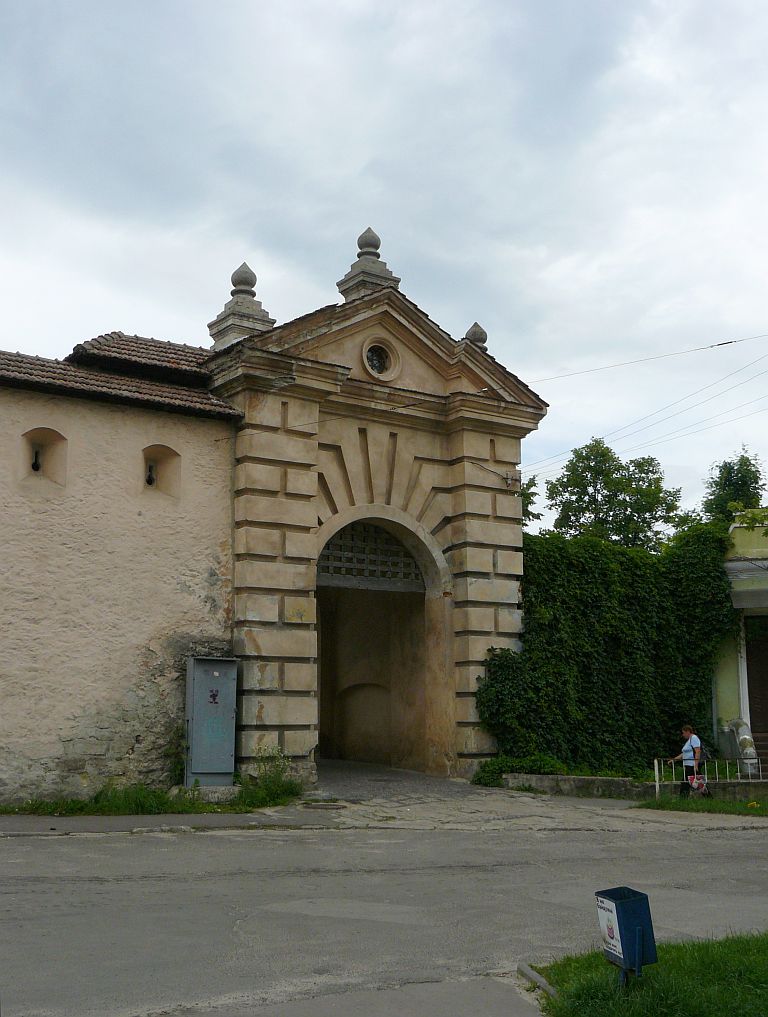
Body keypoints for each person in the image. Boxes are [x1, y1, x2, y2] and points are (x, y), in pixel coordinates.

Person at [668, 725, 701, 798]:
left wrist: (696, 765)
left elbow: (697, 751)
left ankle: (683, 798)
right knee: (699, 783)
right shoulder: (689, 740)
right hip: (689, 765)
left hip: (692, 765)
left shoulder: (694, 738)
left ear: (688, 731)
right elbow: (684, 754)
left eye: (683, 733)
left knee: (685, 783)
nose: (683, 735)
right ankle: (708, 797)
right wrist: (674, 760)